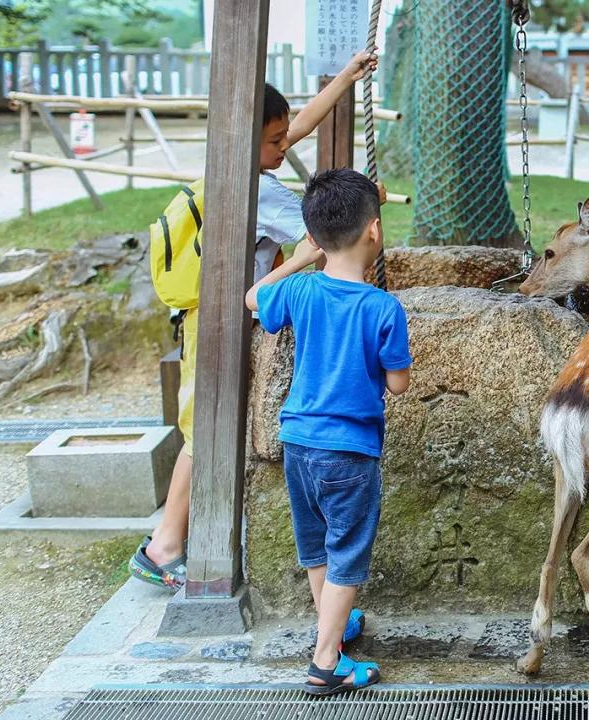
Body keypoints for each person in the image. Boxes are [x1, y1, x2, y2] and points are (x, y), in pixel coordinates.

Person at [128, 51, 378, 590]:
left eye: (285, 136)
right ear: (249, 139)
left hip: (215, 315)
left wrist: (346, 77)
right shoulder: (257, 190)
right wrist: (362, 207)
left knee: (210, 425)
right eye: (276, 140)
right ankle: (165, 545)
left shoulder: (235, 163)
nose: (286, 146)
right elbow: (323, 231)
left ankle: (177, 537)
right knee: (205, 431)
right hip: (215, 322)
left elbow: (294, 128)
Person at [246, 168, 411, 696]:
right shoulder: (383, 307)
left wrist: (297, 259)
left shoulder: (297, 290)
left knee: (316, 546)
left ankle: (331, 630)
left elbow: (253, 299)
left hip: (298, 441)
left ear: (315, 237)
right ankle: (325, 663)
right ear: (375, 232)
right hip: (350, 449)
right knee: (347, 554)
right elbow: (399, 384)